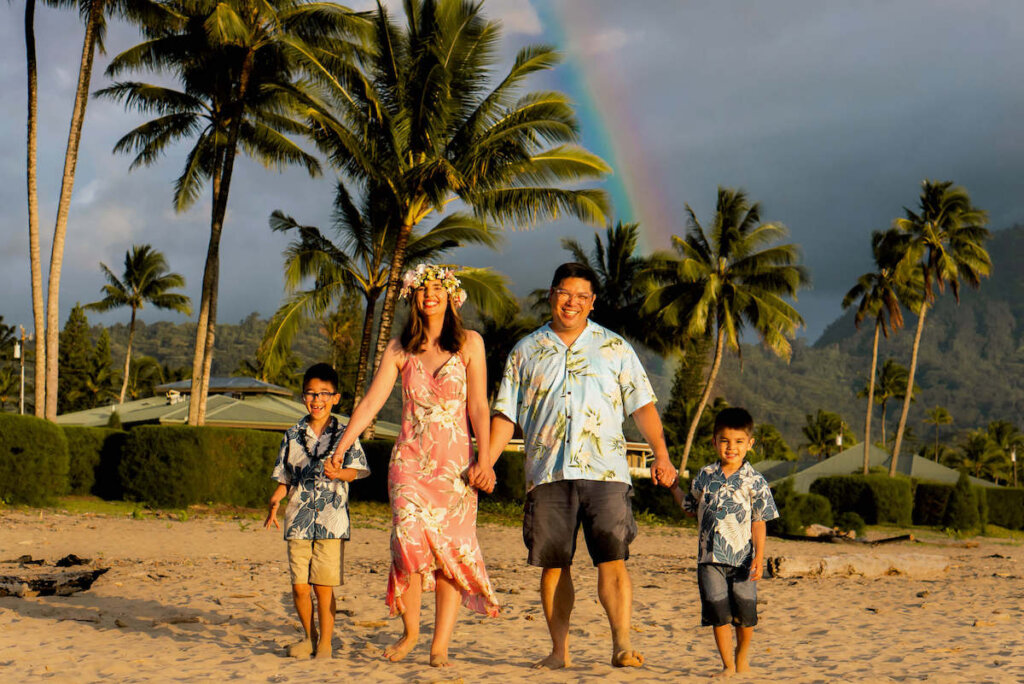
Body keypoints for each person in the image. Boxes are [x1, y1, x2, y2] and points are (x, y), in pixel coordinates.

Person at [472, 262, 677, 670]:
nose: (572, 303)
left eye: (582, 297)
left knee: (613, 560)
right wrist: (486, 463)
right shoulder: (526, 351)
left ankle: (621, 645)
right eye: (565, 293)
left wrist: (662, 453)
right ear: (551, 294)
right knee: (553, 565)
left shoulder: (615, 348)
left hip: (606, 472)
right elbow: (505, 414)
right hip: (548, 472)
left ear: (592, 303)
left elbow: (642, 405)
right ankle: (558, 650)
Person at [327, 264, 499, 668]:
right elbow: (371, 402)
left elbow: (478, 406)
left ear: (451, 296)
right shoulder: (398, 348)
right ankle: (411, 631)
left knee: (449, 556)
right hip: (410, 465)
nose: (429, 295)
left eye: (437, 288)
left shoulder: (470, 343)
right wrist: (343, 445)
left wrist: (486, 461)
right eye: (422, 289)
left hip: (456, 469)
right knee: (408, 544)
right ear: (412, 297)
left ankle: (439, 646)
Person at [264, 362, 370, 659]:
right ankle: (308, 638)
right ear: (303, 397)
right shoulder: (292, 434)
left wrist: (339, 474)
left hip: (331, 520)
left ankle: (325, 642)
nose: (317, 400)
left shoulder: (347, 433)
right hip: (297, 519)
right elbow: (286, 477)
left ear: (336, 397)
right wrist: (276, 498)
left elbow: (357, 470)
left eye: (324, 393)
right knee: (299, 587)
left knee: (323, 587)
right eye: (311, 393)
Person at [669, 407, 779, 677]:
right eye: (725, 441)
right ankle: (727, 665)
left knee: (745, 613)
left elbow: (759, 521)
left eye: (739, 442)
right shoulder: (705, 475)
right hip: (709, 560)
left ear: (750, 444)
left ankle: (742, 656)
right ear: (714, 442)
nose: (732, 447)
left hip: (743, 560)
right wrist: (672, 486)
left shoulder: (756, 480)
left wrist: (759, 556)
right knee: (718, 613)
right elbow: (689, 506)